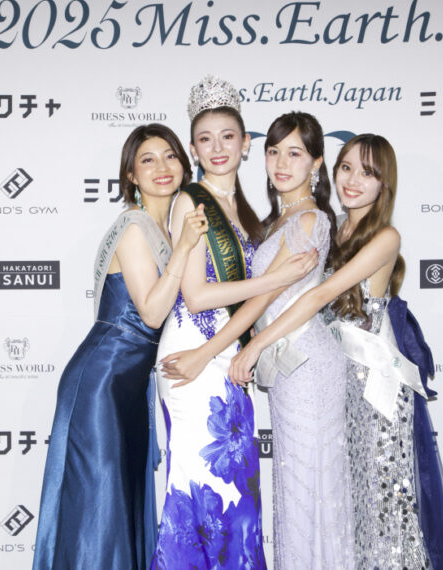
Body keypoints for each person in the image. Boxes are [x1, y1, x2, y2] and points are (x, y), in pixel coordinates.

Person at [229, 134, 443, 570]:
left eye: (368, 172)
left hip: (374, 389)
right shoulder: (330, 227)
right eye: (347, 168)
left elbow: (319, 296)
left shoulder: (387, 237)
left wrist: (254, 346)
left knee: (385, 510)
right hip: (334, 382)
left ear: (384, 184)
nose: (354, 180)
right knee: (347, 510)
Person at [162, 111, 354, 569]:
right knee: (263, 491)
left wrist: (235, 348)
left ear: (317, 163)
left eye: (295, 153)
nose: (282, 163)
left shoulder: (302, 219)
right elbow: (228, 293)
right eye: (275, 152)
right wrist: (223, 348)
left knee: (298, 491)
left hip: (296, 363)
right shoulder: (258, 216)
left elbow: (273, 297)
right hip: (247, 358)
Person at [32, 123, 209, 570]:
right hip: (102, 383)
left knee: (123, 506)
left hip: (130, 387)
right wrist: (185, 249)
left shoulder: (164, 229)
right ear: (131, 174)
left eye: (170, 155)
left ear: (183, 163)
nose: (162, 167)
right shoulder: (134, 228)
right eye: (147, 160)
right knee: (99, 513)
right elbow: (152, 313)